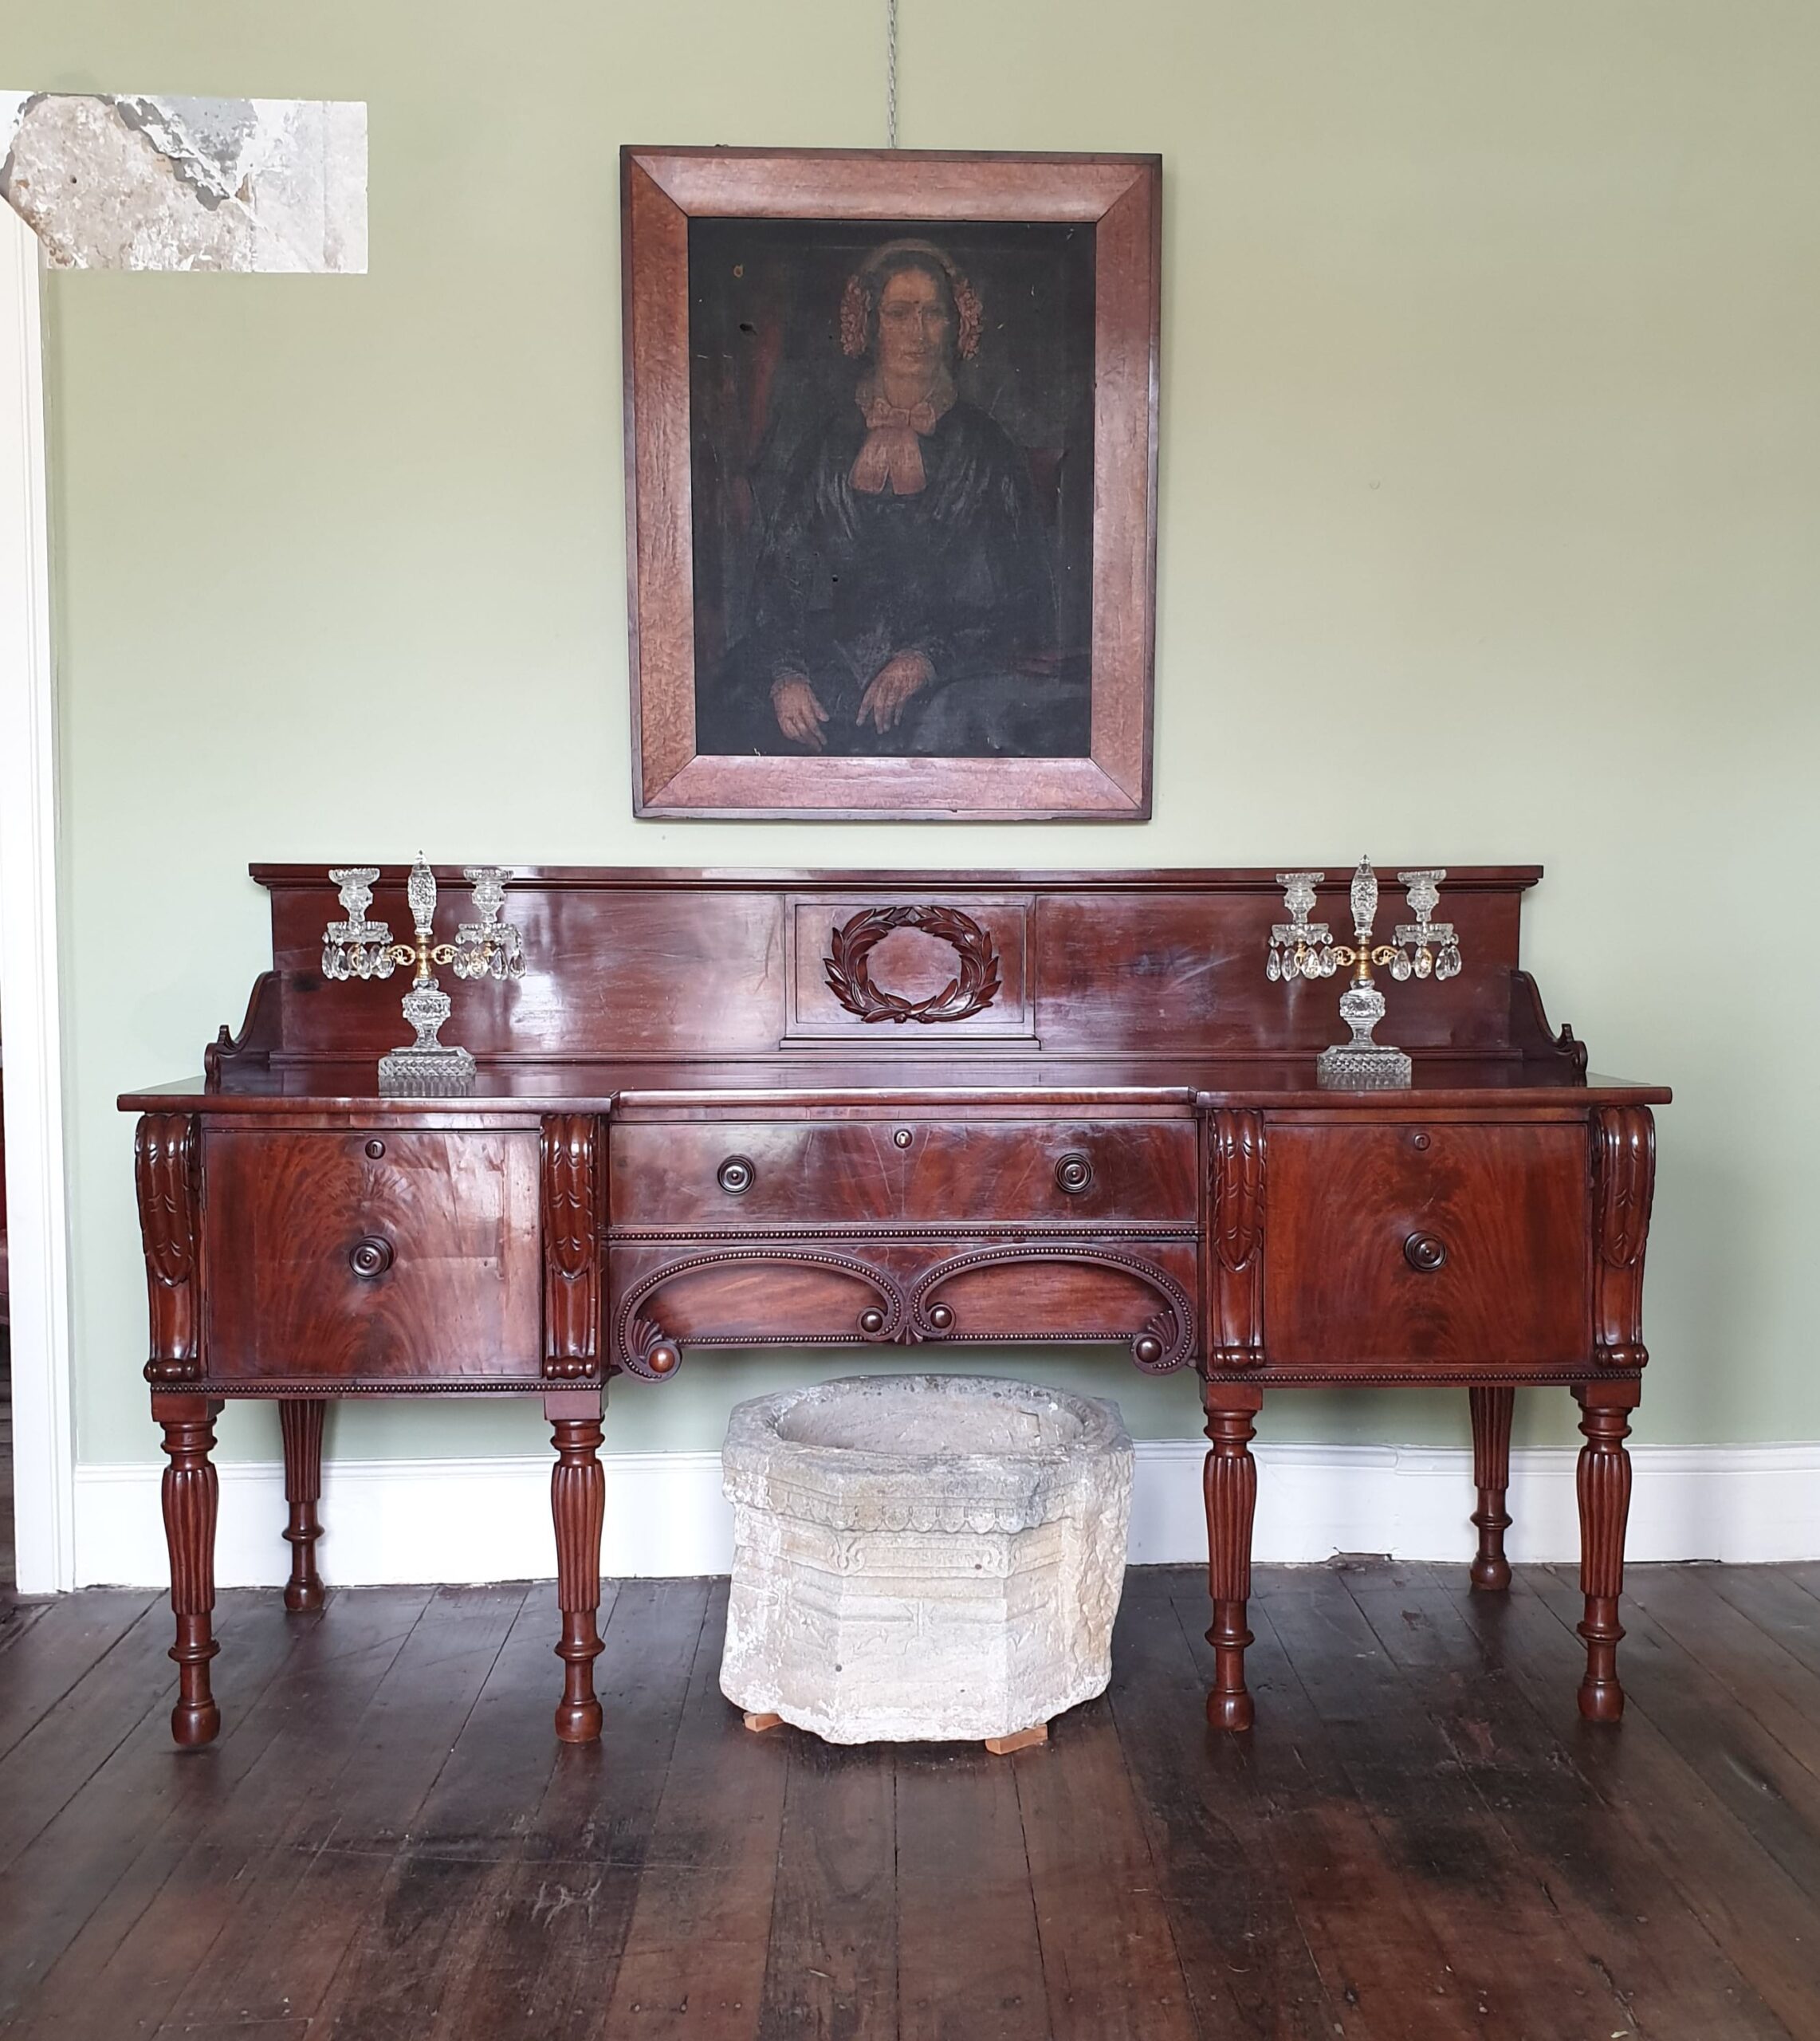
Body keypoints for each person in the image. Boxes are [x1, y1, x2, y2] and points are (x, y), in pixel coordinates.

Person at [705, 239, 1084, 757]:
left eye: (933, 314)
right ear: (869, 325)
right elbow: (778, 585)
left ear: (956, 327)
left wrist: (925, 660)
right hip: (829, 672)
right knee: (734, 719)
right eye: (899, 313)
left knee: (959, 727)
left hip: (949, 678)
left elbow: (1025, 602)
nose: (917, 333)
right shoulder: (824, 446)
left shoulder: (985, 448)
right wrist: (785, 676)